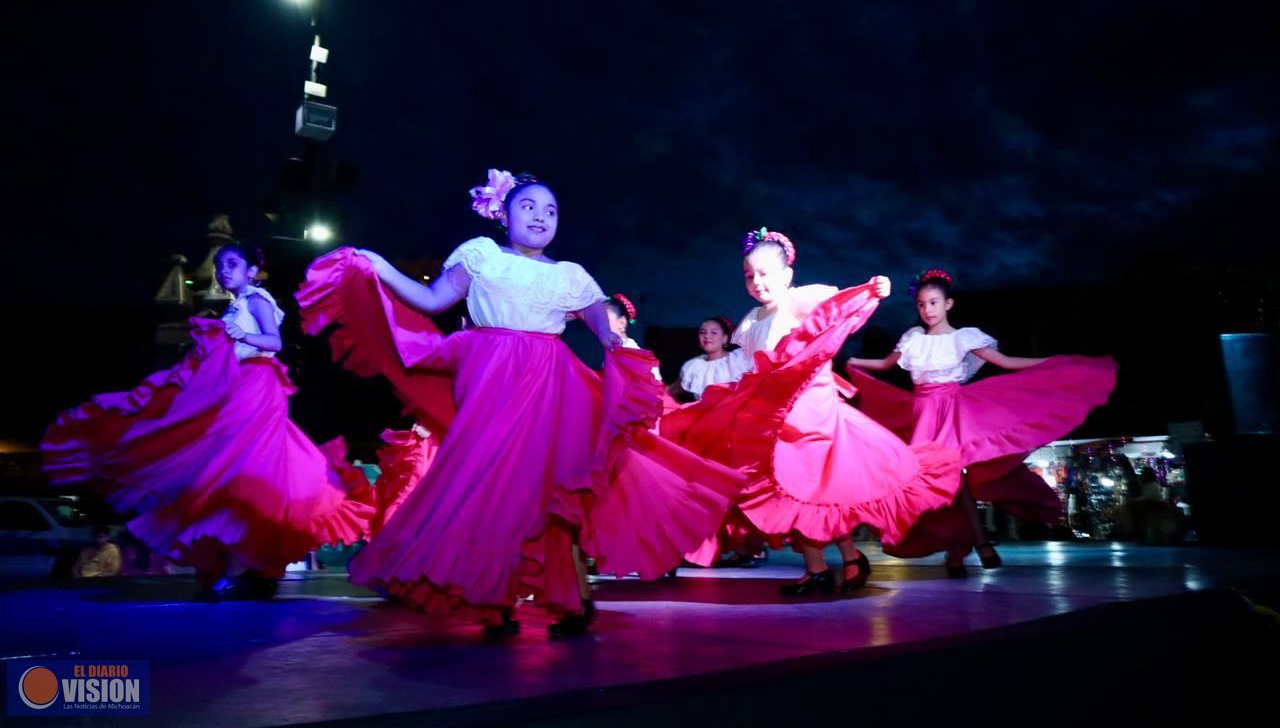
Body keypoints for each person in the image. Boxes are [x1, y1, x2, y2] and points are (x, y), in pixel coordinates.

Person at [295, 169, 745, 636]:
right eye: (528, 206)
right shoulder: (481, 255)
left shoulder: (570, 275)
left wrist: (618, 350)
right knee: (489, 488)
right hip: (489, 380)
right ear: (504, 214)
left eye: (550, 210)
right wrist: (379, 267)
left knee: (548, 491)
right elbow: (431, 300)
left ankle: (571, 599)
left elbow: (601, 327)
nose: (540, 216)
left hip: (550, 386)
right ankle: (495, 599)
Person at [42, 243, 374, 599]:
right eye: (219, 266)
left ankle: (239, 566)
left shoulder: (256, 298)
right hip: (240, 383)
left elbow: (274, 342)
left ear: (251, 271)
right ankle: (242, 565)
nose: (222, 271)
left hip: (257, 383)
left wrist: (241, 336)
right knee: (232, 472)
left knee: (243, 468)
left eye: (232, 264)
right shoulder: (237, 304)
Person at [661, 229, 962, 596]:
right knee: (796, 495)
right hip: (775, 418)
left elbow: (839, 309)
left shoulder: (800, 300)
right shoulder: (752, 321)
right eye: (749, 276)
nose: (757, 282)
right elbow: (754, 370)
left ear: (786, 274)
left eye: (765, 273)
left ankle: (839, 562)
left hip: (811, 411)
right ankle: (829, 565)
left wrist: (872, 290)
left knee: (808, 490)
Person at [846, 269, 1116, 574]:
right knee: (934, 485)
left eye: (933, 302)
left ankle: (970, 545)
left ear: (948, 304)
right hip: (921, 414)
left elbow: (1006, 362)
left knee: (953, 481)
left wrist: (1051, 362)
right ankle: (966, 545)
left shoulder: (964, 337)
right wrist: (854, 362)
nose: (927, 310)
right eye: (921, 304)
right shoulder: (913, 338)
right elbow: (884, 364)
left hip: (952, 413)